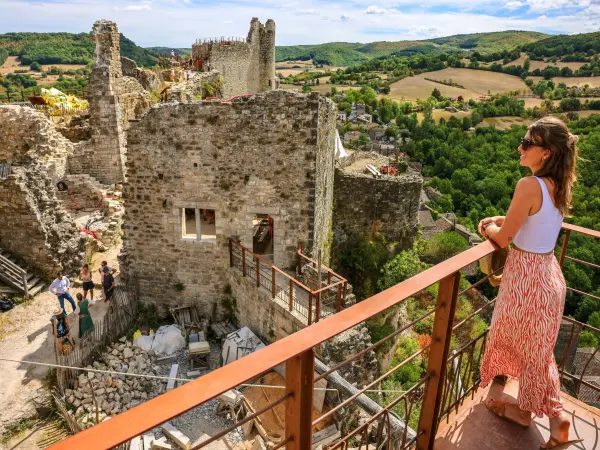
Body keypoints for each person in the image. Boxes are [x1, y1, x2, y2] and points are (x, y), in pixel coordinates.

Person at [477, 117, 580, 450]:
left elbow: (506, 238)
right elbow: (531, 223)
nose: (520, 147)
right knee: (537, 354)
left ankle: (541, 415)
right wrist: (501, 220)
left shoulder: (528, 186)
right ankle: (545, 415)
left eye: (527, 144)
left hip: (527, 281)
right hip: (548, 276)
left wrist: (486, 228)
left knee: (531, 351)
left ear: (546, 153)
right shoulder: (557, 185)